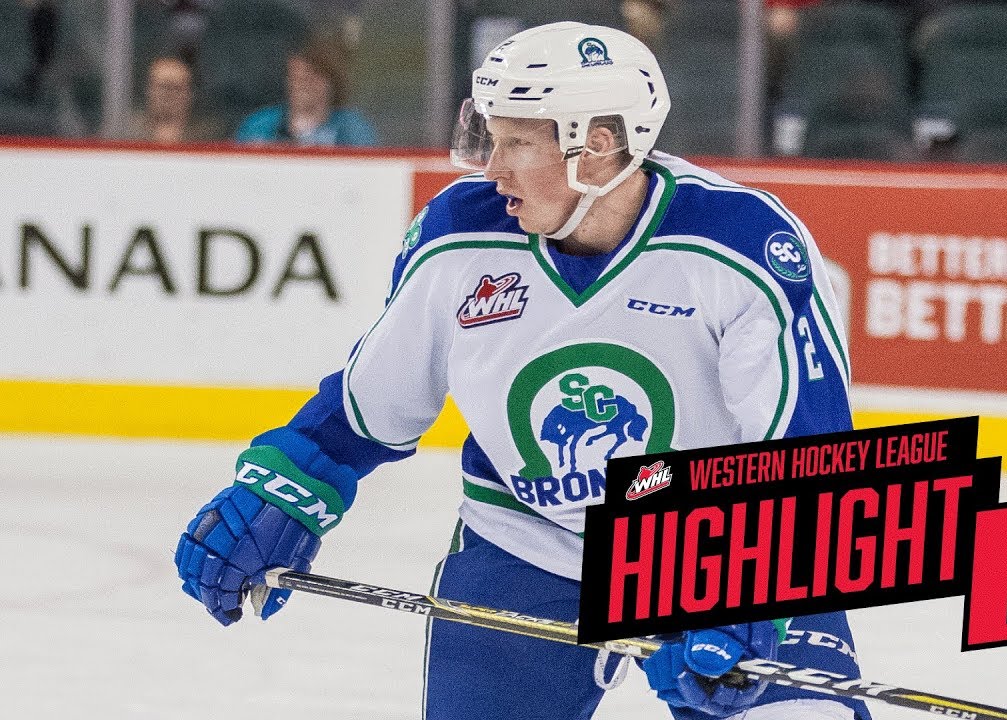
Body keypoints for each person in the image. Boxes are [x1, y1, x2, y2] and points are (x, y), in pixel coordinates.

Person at [176, 22, 867, 720]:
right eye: (490, 137)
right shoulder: (461, 234)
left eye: (517, 144)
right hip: (526, 541)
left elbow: (809, 456)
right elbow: (370, 404)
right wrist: (285, 486)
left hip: (714, 546)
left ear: (598, 148)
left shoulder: (744, 247)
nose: (492, 169)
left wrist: (757, 590)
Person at [234, 39, 376, 146]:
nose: (301, 84)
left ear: (331, 82)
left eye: (311, 76)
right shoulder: (259, 125)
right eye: (295, 77)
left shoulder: (352, 128)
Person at [124, 55, 221, 143]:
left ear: (189, 93)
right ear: (149, 90)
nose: (168, 95)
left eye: (176, 88)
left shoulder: (209, 135)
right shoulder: (128, 131)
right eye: (162, 87)